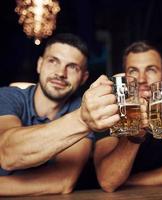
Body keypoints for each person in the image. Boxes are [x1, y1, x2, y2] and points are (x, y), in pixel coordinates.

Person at [0, 33, 119, 196]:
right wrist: (82, 120)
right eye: (53, 61)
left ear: (83, 77)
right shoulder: (8, 96)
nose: (61, 73)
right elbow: (7, 153)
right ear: (39, 64)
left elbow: (62, 181)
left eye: (72, 67)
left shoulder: (83, 107)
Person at [93, 41, 162, 192]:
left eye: (151, 70)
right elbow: (108, 180)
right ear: (124, 77)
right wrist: (136, 132)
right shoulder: (110, 110)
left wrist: (127, 181)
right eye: (133, 71)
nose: (141, 79)